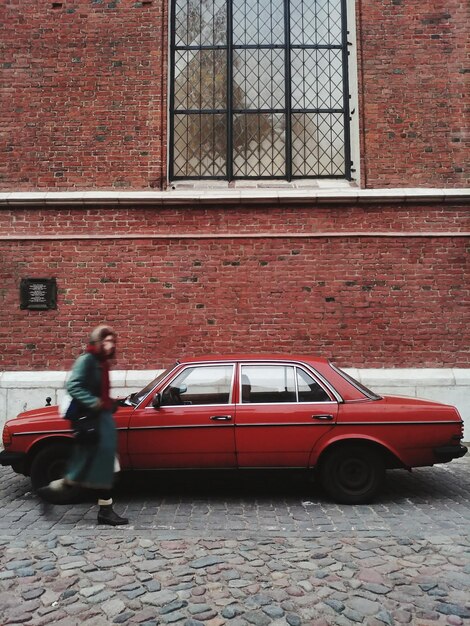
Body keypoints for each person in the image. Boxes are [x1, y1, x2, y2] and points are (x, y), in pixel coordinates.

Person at [38, 324, 128, 526]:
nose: (110, 344)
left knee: (96, 467)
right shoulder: (86, 360)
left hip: (101, 418)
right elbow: (73, 385)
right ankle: (103, 511)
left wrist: (109, 402)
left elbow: (99, 390)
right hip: (91, 420)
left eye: (112, 341)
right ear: (97, 341)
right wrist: (95, 402)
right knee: (97, 467)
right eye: (106, 340)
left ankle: (102, 509)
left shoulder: (101, 362)